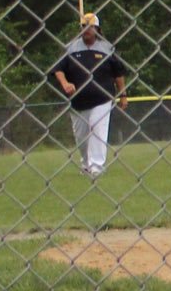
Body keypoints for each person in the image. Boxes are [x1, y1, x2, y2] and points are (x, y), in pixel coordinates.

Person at [49, 13, 129, 179]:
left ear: (97, 29)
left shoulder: (106, 48)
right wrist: (65, 83)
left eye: (90, 27)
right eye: (83, 26)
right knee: (81, 137)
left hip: (103, 98)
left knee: (97, 127)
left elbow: (118, 73)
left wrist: (123, 95)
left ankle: (96, 167)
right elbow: (58, 69)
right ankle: (86, 164)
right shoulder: (71, 48)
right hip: (78, 101)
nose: (86, 30)